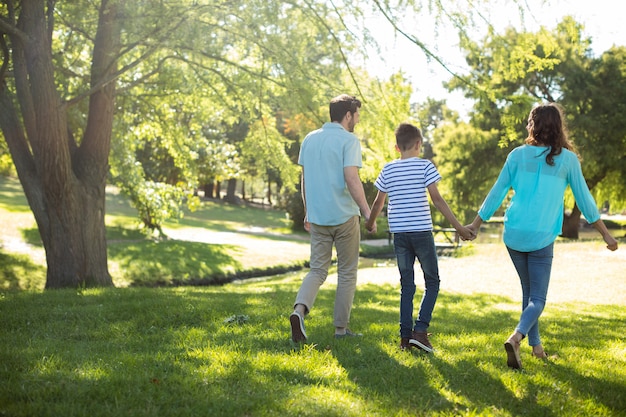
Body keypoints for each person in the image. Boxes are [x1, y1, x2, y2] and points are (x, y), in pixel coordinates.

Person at [467, 103, 619, 369]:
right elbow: (584, 199)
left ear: (532, 125)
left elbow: (497, 192)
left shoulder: (516, 155)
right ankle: (516, 338)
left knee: (529, 294)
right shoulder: (568, 160)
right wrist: (605, 234)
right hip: (541, 236)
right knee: (538, 299)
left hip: (514, 234)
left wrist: (477, 223)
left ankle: (537, 349)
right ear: (558, 126)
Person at [365, 123, 475, 352]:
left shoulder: (388, 169)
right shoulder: (425, 166)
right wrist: (458, 227)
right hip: (422, 233)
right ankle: (420, 331)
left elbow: (378, 202)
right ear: (418, 144)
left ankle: (405, 339)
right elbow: (437, 200)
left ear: (397, 147)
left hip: (400, 235)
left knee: (407, 285)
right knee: (432, 281)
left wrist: (370, 221)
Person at [289, 94, 371, 343]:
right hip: (345, 216)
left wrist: (308, 211)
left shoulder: (309, 139)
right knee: (347, 272)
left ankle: (299, 310)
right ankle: (340, 330)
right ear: (348, 115)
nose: (357, 119)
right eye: (356, 115)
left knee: (317, 270)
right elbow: (351, 178)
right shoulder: (349, 140)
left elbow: (305, 179)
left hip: (319, 218)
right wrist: (367, 212)